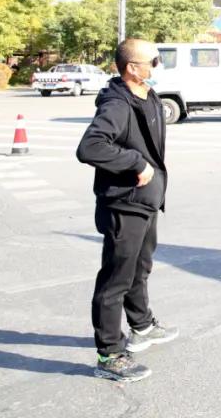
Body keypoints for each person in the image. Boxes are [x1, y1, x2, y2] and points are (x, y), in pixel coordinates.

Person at [76, 39, 179, 383]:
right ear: (132, 68)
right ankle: (109, 353)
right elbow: (90, 147)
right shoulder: (117, 104)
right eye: (153, 60)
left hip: (145, 201)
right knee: (116, 278)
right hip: (124, 203)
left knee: (141, 266)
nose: (157, 65)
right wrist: (135, 162)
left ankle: (142, 325)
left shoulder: (146, 94)